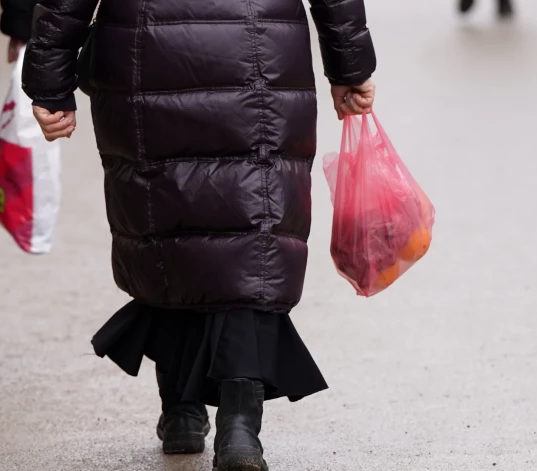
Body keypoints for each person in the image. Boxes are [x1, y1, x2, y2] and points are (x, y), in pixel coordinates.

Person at [22, 0, 376, 468]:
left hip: (144, 48)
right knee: (255, 233)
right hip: (262, 50)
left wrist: (49, 78)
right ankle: (239, 427)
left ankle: (181, 406)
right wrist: (349, 62)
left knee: (167, 223)